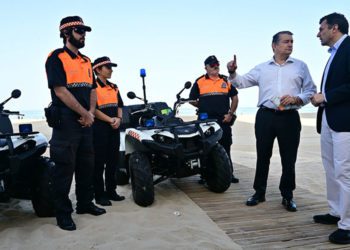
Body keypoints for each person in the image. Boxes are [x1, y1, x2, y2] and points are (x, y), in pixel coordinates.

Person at [227, 31, 316, 212]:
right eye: (285, 42)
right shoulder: (262, 68)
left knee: (289, 159)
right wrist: (233, 71)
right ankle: (259, 193)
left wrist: (297, 99)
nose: (290, 45)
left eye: (292, 41)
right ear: (274, 46)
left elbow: (310, 91)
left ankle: (287, 196)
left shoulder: (300, 66)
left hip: (290, 118)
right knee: (263, 156)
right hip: (265, 117)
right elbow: (241, 82)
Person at [45, 16, 106, 231]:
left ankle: (85, 204)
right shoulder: (56, 58)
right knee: (63, 169)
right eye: (79, 31)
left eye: (85, 31)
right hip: (65, 121)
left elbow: (91, 89)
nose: (83, 35)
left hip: (85, 121)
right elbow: (60, 91)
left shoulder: (87, 60)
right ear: (66, 33)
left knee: (86, 165)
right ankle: (63, 214)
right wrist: (85, 114)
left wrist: (90, 113)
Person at [311, 13, 350, 244]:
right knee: (330, 168)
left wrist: (326, 96)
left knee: (344, 172)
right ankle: (336, 212)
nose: (318, 33)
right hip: (327, 117)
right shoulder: (335, 53)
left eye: (321, 28)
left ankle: (347, 225)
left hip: (344, 121)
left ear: (334, 28)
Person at [189, 55, 239, 184]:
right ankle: (205, 175)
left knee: (226, 146)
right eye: (212, 65)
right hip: (205, 121)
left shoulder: (225, 80)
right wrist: (203, 106)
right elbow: (191, 100)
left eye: (217, 64)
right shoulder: (199, 81)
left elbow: (235, 97)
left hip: (223, 120)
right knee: (205, 148)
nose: (215, 67)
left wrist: (230, 113)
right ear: (205, 67)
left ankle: (229, 174)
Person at [92, 56, 125, 206]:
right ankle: (99, 195)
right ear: (98, 69)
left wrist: (118, 118)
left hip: (114, 128)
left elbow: (120, 105)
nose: (111, 70)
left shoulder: (114, 87)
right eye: (108, 67)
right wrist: (110, 120)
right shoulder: (92, 87)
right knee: (99, 163)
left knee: (113, 162)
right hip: (99, 129)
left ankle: (111, 191)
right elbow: (93, 110)